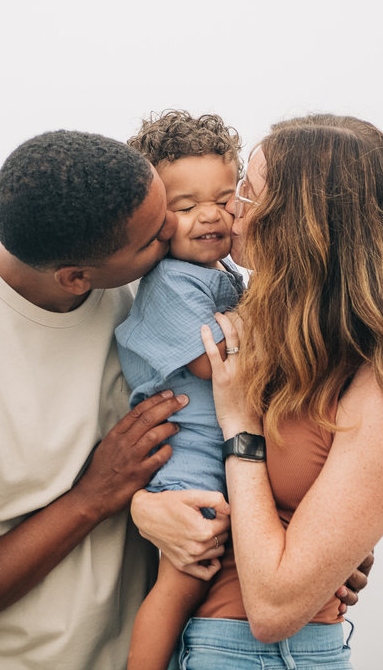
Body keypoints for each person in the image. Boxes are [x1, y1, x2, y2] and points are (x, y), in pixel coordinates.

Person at [0, 129, 229, 670]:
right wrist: (92, 498)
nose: (176, 229)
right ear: (76, 277)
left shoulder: (147, 282)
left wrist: (308, 541)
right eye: (155, 233)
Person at [179, 114, 383, 667]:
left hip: (261, 656)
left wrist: (242, 426)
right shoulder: (259, 327)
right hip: (182, 638)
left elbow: (274, 607)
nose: (231, 209)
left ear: (304, 222)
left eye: (247, 190)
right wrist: (141, 509)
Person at [115, 111, 247, 670]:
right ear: (153, 217)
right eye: (186, 206)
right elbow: (208, 360)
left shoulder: (223, 277)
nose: (210, 215)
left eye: (224, 197)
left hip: (218, 450)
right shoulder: (170, 282)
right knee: (181, 584)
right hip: (188, 458)